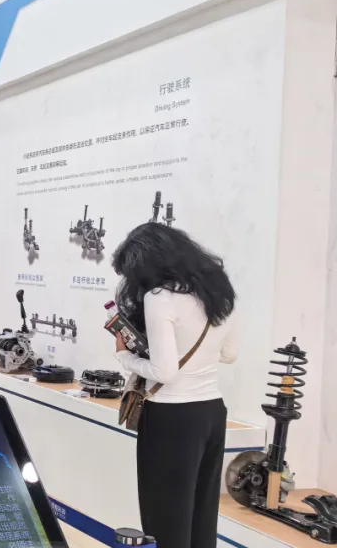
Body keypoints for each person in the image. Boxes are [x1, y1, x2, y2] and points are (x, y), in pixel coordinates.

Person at [111, 222, 237, 548]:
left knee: (165, 520)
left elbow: (164, 372)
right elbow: (230, 354)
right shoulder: (218, 290)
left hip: (171, 416)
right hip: (212, 411)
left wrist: (125, 356)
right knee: (202, 516)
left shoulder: (160, 297)